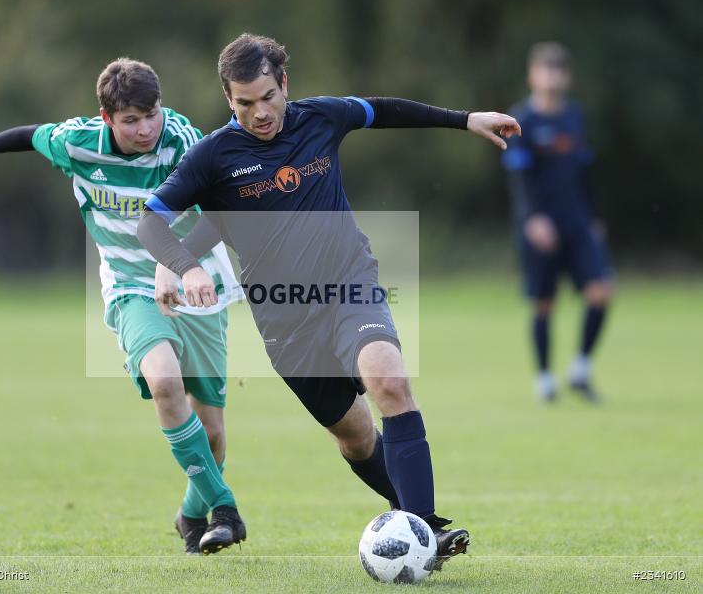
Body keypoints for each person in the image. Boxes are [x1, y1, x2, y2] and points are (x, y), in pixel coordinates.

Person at [137, 33, 521, 570]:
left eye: (268, 96)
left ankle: (425, 528)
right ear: (229, 98)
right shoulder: (214, 156)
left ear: (284, 83)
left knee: (389, 381)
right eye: (245, 103)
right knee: (356, 436)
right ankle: (409, 512)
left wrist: (464, 120)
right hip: (284, 321)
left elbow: (384, 110)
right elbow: (151, 221)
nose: (260, 112)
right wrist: (185, 264)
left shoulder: (322, 118)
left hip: (348, 285)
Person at [0, 58, 247, 555]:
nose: (145, 129)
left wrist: (175, 261)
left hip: (197, 283)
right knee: (165, 382)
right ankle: (225, 510)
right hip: (130, 286)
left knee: (211, 432)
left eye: (152, 115)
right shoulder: (77, 142)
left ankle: (192, 516)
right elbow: (32, 135)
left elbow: (216, 211)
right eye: (130, 120)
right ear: (107, 119)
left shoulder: (182, 140)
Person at [502, 42, 613, 403]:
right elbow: (519, 177)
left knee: (601, 292)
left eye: (558, 70)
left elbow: (585, 173)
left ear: (567, 76)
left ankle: (580, 370)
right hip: (540, 226)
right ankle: (546, 379)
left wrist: (594, 218)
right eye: (545, 69)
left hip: (578, 222)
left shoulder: (574, 118)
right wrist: (533, 218)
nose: (552, 77)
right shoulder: (522, 120)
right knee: (544, 303)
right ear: (532, 75)